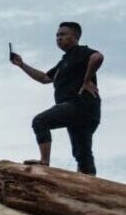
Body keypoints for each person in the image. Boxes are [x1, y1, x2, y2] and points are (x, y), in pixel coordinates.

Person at [10, 21, 104, 174]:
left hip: (79, 105)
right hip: (84, 113)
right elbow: (45, 78)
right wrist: (22, 65)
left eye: (63, 34)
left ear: (75, 36)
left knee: (40, 121)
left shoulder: (80, 52)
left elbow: (98, 57)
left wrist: (87, 80)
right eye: (57, 35)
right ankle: (89, 181)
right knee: (82, 154)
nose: (59, 38)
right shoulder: (63, 62)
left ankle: (44, 161)